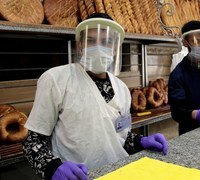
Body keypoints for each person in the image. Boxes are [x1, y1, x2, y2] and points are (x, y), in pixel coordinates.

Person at [23, 13, 168, 180]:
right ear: (79, 45)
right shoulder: (56, 79)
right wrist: (51, 167)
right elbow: (32, 140)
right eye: (91, 41)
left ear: (115, 48)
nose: (99, 48)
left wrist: (140, 141)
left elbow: (118, 136)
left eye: (106, 42)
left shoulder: (121, 88)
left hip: (120, 173)